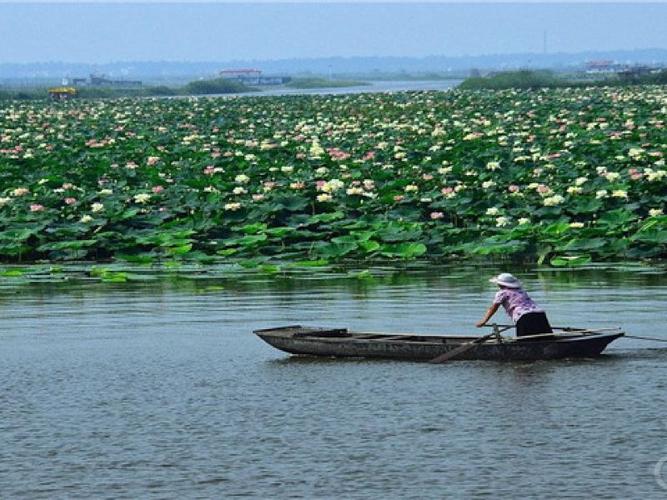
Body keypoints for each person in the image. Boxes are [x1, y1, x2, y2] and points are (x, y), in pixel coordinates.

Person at [475, 273, 552, 337]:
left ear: (500, 284)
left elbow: (493, 308)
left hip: (524, 317)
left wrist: (484, 321)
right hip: (540, 314)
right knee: (546, 339)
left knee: (524, 342)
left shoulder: (502, 293)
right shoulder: (521, 291)